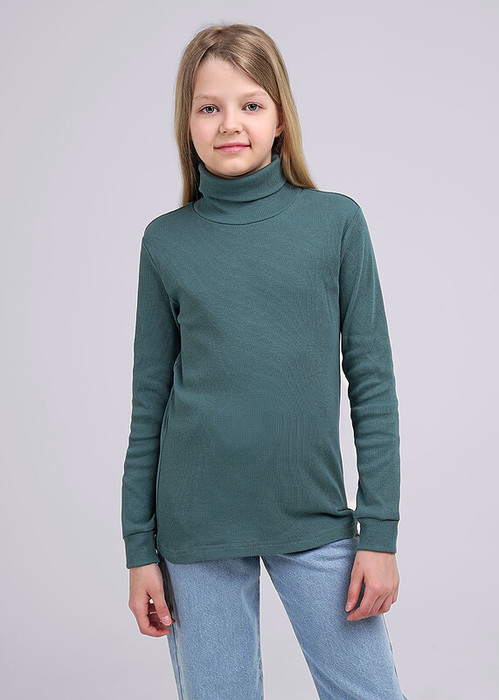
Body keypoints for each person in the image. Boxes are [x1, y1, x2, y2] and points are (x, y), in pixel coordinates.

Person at [121, 22, 408, 700]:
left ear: (280, 119)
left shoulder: (335, 223)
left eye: (250, 104)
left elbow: (372, 384)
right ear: (187, 123)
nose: (230, 123)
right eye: (208, 107)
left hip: (313, 516)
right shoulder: (166, 243)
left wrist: (379, 533)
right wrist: (139, 549)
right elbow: (149, 401)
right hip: (194, 528)